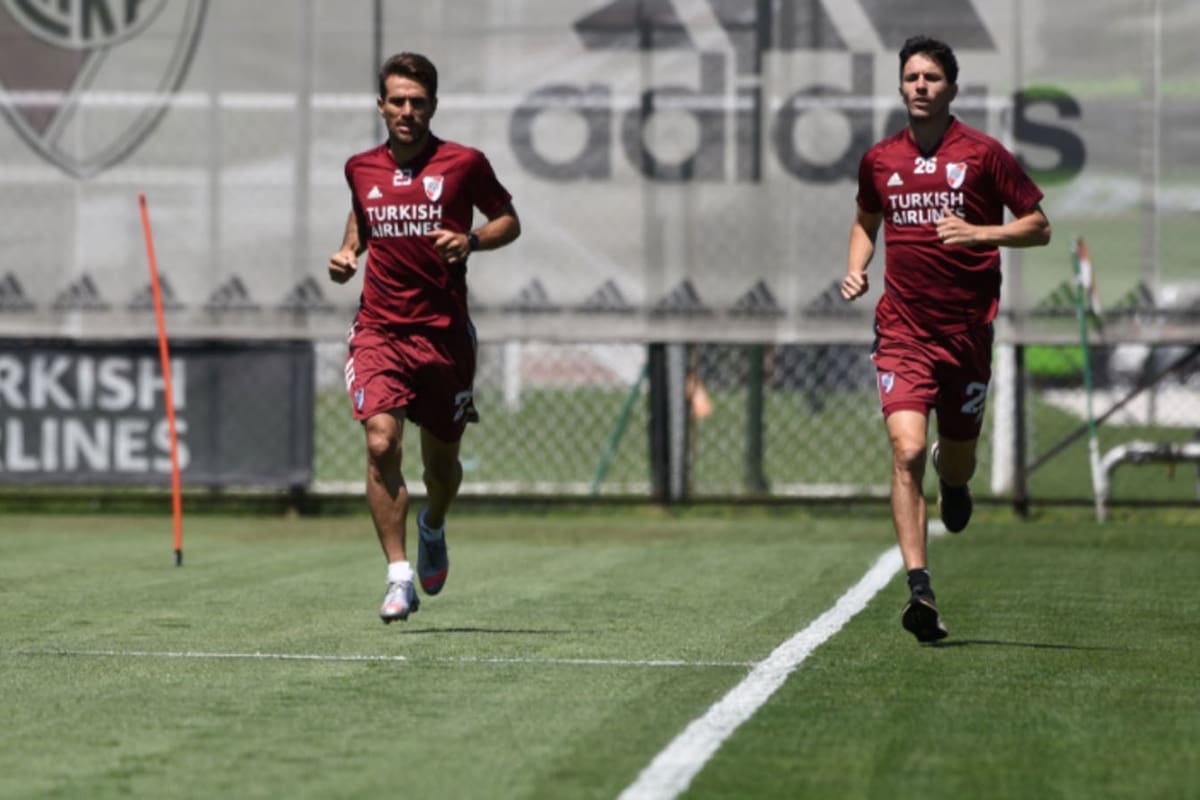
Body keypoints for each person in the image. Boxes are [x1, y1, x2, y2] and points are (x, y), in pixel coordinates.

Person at [840, 36, 1050, 642]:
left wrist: (981, 234)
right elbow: (864, 219)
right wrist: (857, 264)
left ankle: (954, 479)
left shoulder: (983, 155)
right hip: (903, 332)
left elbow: (1038, 226)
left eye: (932, 77)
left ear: (952, 88)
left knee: (952, 457)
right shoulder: (880, 159)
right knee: (904, 452)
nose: (921, 86)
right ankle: (920, 590)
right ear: (901, 87)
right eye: (911, 77)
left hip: (966, 337)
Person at [328, 52, 520, 623]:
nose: (407, 111)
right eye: (397, 101)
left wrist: (474, 242)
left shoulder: (464, 163)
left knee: (442, 468)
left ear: (432, 106)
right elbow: (364, 216)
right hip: (379, 330)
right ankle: (397, 576)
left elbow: (509, 219)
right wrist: (348, 252)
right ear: (381, 106)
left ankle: (432, 524)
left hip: (442, 339)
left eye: (417, 102)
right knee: (382, 444)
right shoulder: (360, 167)